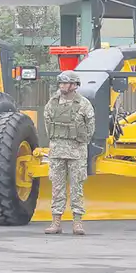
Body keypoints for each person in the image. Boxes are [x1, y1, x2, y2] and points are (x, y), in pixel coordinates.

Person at [43, 70, 96, 235]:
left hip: (76, 152)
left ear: (74, 85)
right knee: (57, 187)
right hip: (57, 150)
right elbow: (47, 123)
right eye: (60, 83)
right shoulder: (53, 102)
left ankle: (77, 222)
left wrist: (79, 141)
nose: (62, 86)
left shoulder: (84, 104)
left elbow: (90, 127)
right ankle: (56, 221)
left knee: (76, 187)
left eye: (65, 83)